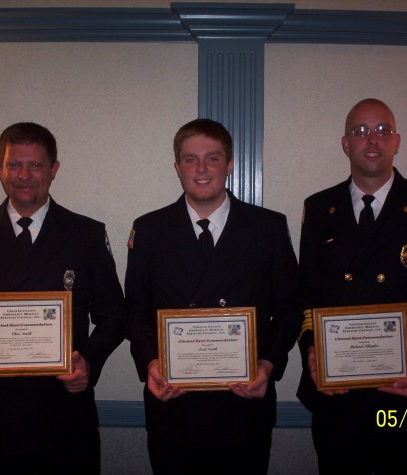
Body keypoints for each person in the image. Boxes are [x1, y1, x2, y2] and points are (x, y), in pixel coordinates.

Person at [0, 122, 126, 474]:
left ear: (54, 170)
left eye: (36, 165)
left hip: (65, 415)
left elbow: (115, 315)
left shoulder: (86, 234)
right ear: (0, 169)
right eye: (14, 164)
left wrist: (88, 364)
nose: (25, 175)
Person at [297, 98, 407, 474]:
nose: (372, 140)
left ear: (397, 141)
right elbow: (307, 299)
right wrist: (314, 353)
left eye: (382, 130)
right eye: (360, 131)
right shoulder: (318, 209)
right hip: (339, 401)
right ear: (345, 144)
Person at [125, 118, 303, 475]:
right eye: (190, 159)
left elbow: (290, 308)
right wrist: (150, 364)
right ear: (177, 167)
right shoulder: (149, 229)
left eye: (213, 158)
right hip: (174, 408)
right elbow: (135, 311)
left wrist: (267, 366)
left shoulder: (267, 227)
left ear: (230, 164)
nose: (201, 169)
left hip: (243, 406)